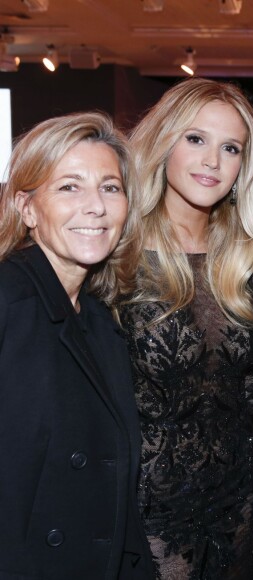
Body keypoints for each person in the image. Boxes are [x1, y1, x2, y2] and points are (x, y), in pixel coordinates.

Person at [118, 77, 253, 579]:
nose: (212, 162)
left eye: (231, 148)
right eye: (196, 139)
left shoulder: (250, 259)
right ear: (164, 140)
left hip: (240, 506)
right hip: (147, 516)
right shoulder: (116, 252)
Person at [0, 112, 154, 579]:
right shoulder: (8, 301)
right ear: (28, 210)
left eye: (110, 187)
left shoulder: (101, 318)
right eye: (69, 187)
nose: (96, 207)